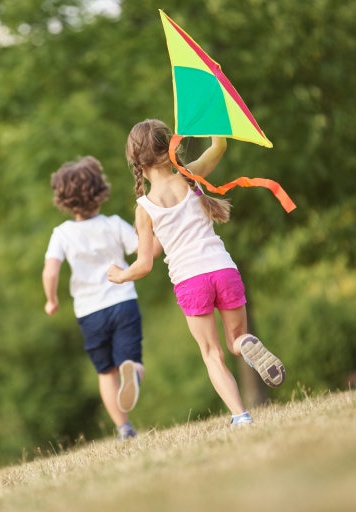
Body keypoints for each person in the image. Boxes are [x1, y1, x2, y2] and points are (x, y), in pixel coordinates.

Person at [107, 119, 286, 428]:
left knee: (212, 353)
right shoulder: (190, 175)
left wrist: (120, 275)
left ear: (135, 161)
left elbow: (145, 262)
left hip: (192, 282)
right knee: (236, 339)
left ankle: (241, 417)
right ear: (168, 148)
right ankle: (245, 344)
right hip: (223, 269)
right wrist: (210, 116)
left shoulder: (144, 208)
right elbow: (219, 146)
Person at [42, 155, 150, 441]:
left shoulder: (62, 233)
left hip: (90, 312)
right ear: (100, 192)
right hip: (123, 299)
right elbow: (144, 251)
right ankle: (134, 376)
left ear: (64, 199)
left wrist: (51, 299)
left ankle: (124, 428)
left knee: (106, 373)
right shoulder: (113, 224)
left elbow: (51, 271)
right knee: (132, 360)